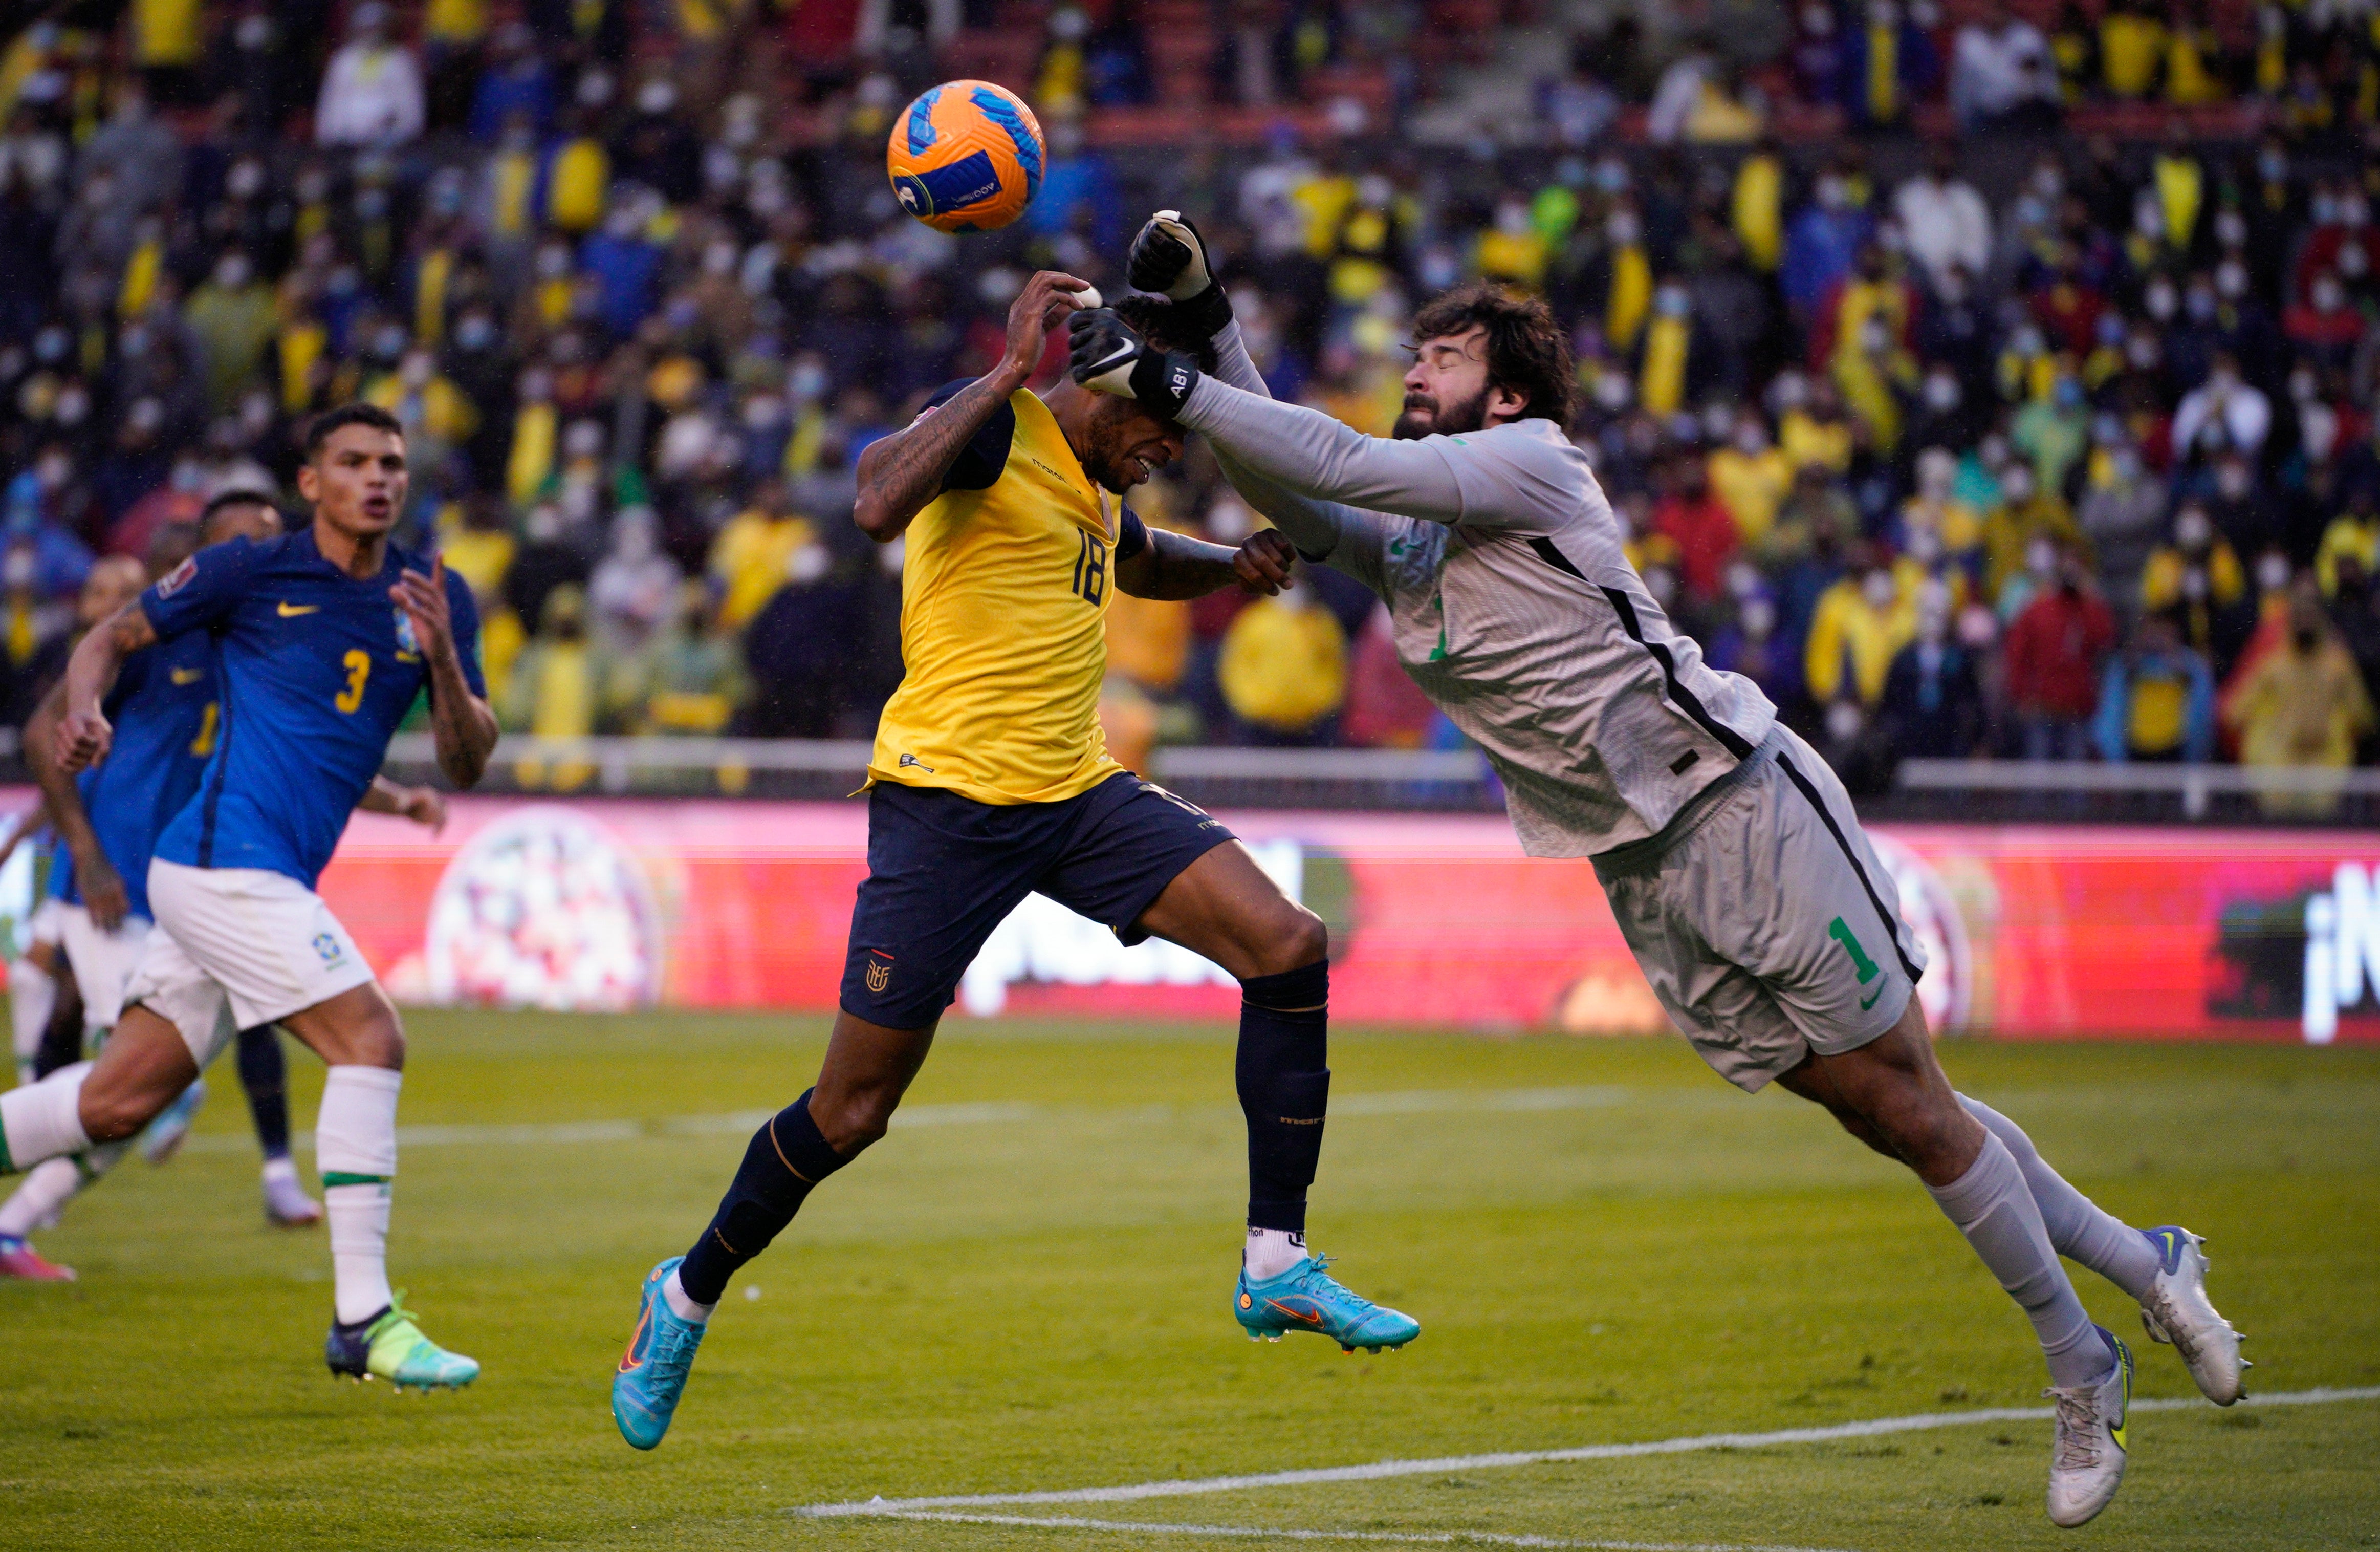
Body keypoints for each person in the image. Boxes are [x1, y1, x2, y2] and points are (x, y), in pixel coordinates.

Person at [1073, 213, 2250, 1530]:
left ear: (1503, 391)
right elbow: (1301, 491)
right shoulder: (1409, 537)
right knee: (1889, 1107)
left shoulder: (1525, 461)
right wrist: (1213, 323)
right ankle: (2149, 1261)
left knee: (1917, 1108)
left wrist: (1160, 371)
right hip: (1635, 866)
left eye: (1442, 356)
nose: (1415, 371)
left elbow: (1335, 455)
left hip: (1736, 802)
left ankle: (2079, 1363)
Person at [608, 271, 1417, 1454]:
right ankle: (681, 1296)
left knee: (1289, 944)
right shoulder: (996, 431)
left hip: (1076, 794)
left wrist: (1230, 565)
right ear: (1105, 403)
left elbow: (1138, 556)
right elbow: (877, 502)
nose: (1160, 459)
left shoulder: (1090, 489)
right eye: (1158, 438)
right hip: (945, 806)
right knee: (852, 1110)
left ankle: (1276, 1260)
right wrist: (1004, 371)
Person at [0, 405, 498, 1388]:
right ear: (311, 482)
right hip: (224, 866)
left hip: (250, 879)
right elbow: (109, 632)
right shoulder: (250, 573)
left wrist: (442, 659)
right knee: (372, 1039)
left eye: (392, 464)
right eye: (353, 462)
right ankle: (364, 1318)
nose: (378, 478)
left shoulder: (437, 596)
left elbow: (468, 759)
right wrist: (89, 704)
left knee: (114, 1103)